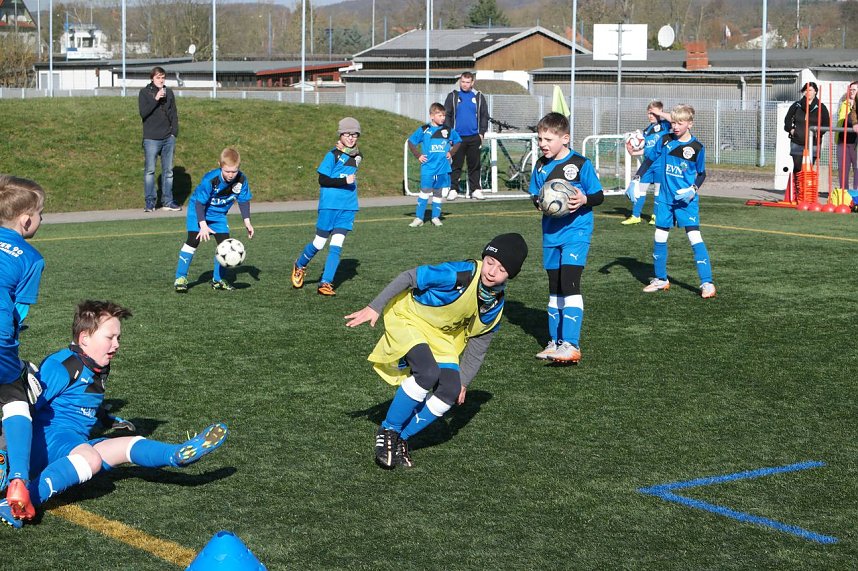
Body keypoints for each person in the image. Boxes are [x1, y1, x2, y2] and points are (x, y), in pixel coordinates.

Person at [0, 300, 228, 529]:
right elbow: (23, 405)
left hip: (70, 440)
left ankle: (177, 455)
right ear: (84, 338)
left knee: (123, 447)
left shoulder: (95, 367)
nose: (116, 344)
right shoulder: (64, 365)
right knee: (91, 459)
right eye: (110, 337)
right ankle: (19, 501)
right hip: (47, 439)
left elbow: (80, 402)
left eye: (118, 338)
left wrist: (108, 418)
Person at [344, 233, 528, 469]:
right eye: (490, 262)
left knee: (450, 391)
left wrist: (464, 381)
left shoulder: (495, 303)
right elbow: (410, 276)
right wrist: (375, 307)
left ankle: (401, 439)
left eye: (501, 269)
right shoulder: (460, 274)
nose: (492, 271)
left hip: (442, 337)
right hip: (409, 318)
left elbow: (479, 343)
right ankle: (388, 431)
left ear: (510, 275)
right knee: (427, 372)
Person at [529, 112, 604, 364]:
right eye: (540, 138)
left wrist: (583, 199)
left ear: (565, 138)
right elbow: (534, 195)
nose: (543, 143)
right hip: (551, 233)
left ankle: (571, 344)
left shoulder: (581, 164)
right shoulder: (540, 166)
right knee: (554, 286)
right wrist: (540, 202)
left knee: (570, 282)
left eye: (548, 139)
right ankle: (555, 342)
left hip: (577, 231)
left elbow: (598, 195)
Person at [633, 104, 716, 299]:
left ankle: (707, 283)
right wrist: (636, 179)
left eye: (680, 123)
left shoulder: (697, 148)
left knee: (694, 238)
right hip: (665, 199)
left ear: (690, 124)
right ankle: (661, 279)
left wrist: (693, 189)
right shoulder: (664, 140)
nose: (675, 126)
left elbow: (702, 173)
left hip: (686, 201)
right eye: (673, 122)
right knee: (659, 237)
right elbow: (648, 160)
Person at [0, 175, 46, 522]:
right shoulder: (31, 257)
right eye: (42, 213)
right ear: (25, 220)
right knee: (15, 395)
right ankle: (18, 478)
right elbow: (18, 313)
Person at [291, 117, 363, 297]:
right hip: (329, 205)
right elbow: (322, 180)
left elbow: (355, 154)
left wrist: (346, 150)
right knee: (319, 242)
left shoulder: (358, 155)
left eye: (355, 134)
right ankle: (300, 265)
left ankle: (325, 282)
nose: (351, 137)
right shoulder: (332, 155)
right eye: (347, 134)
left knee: (336, 244)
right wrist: (343, 180)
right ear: (340, 135)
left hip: (348, 206)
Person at [173, 147, 254, 293]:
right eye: (227, 171)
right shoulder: (211, 179)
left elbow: (243, 201)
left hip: (218, 215)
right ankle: (181, 278)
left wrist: (247, 222)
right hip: (198, 211)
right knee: (193, 240)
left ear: (239, 168)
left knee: (225, 245)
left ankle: (218, 280)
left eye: (234, 171)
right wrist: (202, 225)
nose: (230, 175)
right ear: (220, 165)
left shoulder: (241, 179)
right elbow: (199, 203)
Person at [406, 102, 462, 227]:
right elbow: (411, 141)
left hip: (442, 168)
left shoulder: (447, 130)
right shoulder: (424, 129)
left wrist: (451, 152)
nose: (443, 118)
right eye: (439, 115)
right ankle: (419, 218)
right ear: (432, 116)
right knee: (425, 191)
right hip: (428, 167)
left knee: (438, 193)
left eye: (444, 115)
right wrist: (418, 155)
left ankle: (435, 217)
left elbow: (458, 141)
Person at [622, 101, 672, 226]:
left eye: (653, 112)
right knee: (640, 190)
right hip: (648, 164)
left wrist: (659, 113)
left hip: (661, 163)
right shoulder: (646, 131)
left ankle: (655, 216)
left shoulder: (665, 125)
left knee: (657, 191)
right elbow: (648, 149)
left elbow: (674, 119)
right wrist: (634, 152)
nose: (651, 115)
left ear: (660, 111)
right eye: (649, 112)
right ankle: (635, 216)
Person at [138, 66, 180, 213]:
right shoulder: (144, 93)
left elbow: (174, 113)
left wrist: (174, 132)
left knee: (168, 171)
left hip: (168, 137)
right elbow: (143, 113)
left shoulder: (169, 93)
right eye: (158, 77)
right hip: (151, 138)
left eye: (163, 77)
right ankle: (150, 202)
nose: (161, 80)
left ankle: (167, 201)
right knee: (150, 171)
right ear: (152, 78)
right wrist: (155, 100)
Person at [443, 72, 489, 201]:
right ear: (460, 82)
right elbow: (447, 116)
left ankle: (476, 189)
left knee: (474, 165)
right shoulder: (452, 97)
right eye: (463, 81)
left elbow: (484, 116)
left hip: (474, 137)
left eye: (468, 82)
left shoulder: (479, 97)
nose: (465, 84)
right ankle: (453, 189)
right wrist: (450, 135)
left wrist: (481, 133)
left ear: (472, 83)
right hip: (457, 137)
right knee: (456, 164)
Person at [783, 82, 830, 197]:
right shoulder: (797, 105)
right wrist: (791, 130)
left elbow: (826, 124)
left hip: (813, 143)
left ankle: (806, 192)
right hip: (797, 142)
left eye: (811, 90)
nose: (808, 92)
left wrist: (819, 134)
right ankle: (796, 191)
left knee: (808, 168)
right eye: (806, 90)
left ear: (815, 92)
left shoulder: (821, 107)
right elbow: (787, 120)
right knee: (798, 167)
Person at [835, 81, 858, 190]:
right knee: (843, 169)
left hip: (855, 142)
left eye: (854, 89)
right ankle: (844, 191)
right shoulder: (844, 103)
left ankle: (856, 193)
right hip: (842, 140)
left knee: (857, 168)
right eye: (850, 89)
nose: (851, 92)